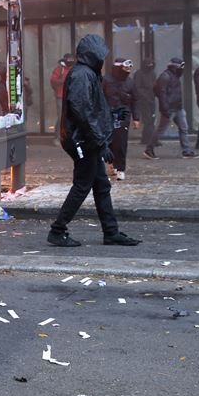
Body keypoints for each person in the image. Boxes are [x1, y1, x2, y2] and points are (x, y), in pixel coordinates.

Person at [47, 34, 140, 248]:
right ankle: (57, 230)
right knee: (83, 185)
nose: (103, 60)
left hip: (86, 139)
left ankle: (111, 232)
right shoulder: (82, 75)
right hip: (82, 140)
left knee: (101, 185)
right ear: (92, 56)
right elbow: (82, 112)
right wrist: (101, 143)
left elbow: (92, 108)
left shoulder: (87, 74)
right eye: (100, 57)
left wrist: (112, 114)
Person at [144, 58, 199, 160]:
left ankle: (186, 151)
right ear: (175, 67)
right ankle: (149, 149)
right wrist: (165, 108)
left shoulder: (175, 76)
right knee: (160, 130)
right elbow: (161, 92)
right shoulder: (165, 76)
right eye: (181, 67)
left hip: (178, 107)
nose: (182, 69)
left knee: (184, 128)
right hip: (169, 109)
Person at [102, 58, 139, 180]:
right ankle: (112, 164)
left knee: (121, 142)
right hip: (108, 113)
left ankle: (121, 168)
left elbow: (135, 100)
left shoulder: (130, 82)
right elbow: (99, 98)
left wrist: (136, 118)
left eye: (129, 69)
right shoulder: (106, 80)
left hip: (122, 113)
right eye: (125, 68)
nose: (128, 71)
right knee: (109, 141)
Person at [49, 53, 75, 141]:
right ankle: (57, 138)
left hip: (72, 97)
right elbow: (53, 80)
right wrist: (63, 80)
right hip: (61, 96)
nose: (70, 62)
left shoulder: (74, 69)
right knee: (61, 117)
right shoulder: (59, 69)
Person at [134, 57, 157, 146]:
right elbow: (137, 87)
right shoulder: (139, 73)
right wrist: (145, 96)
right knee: (148, 119)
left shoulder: (152, 73)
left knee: (151, 119)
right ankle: (149, 139)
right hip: (143, 100)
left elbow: (154, 85)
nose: (150, 67)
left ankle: (147, 138)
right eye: (149, 65)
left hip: (151, 98)